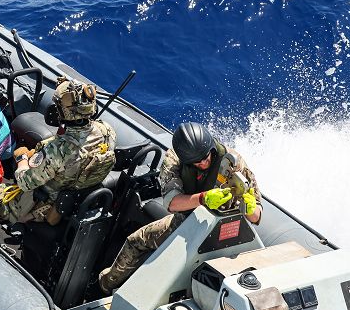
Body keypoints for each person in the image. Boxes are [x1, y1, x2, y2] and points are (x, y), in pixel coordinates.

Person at [97, 121, 260, 293]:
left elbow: (256, 217)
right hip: (194, 220)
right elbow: (172, 203)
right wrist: (204, 198)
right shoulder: (175, 160)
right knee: (136, 240)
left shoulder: (233, 161)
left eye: (207, 157)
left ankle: (105, 284)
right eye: (198, 162)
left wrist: (250, 208)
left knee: (137, 241)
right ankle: (108, 284)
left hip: (223, 228)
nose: (205, 163)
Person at [0, 76, 116, 234]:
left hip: (40, 205)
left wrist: (22, 159)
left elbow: (24, 182)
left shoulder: (58, 150)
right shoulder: (107, 132)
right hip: (70, 203)